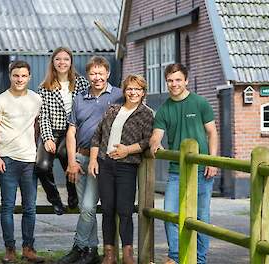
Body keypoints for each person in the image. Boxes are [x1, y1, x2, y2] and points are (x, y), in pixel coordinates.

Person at [149, 63, 219, 264]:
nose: (174, 84)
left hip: (201, 171)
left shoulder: (200, 103)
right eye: (170, 80)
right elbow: (156, 136)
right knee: (170, 214)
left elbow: (212, 132)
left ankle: (199, 260)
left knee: (201, 218)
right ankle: (176, 258)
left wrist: (212, 161)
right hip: (176, 171)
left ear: (186, 80)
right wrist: (156, 143)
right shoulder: (163, 110)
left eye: (178, 79)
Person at [57, 56, 123, 264]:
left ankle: (78, 246)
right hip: (79, 158)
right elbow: (71, 132)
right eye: (93, 74)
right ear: (87, 76)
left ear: (108, 74)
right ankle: (91, 250)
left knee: (87, 206)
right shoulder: (79, 98)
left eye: (100, 73)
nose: (97, 78)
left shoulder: (119, 96)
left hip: (101, 160)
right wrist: (71, 161)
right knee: (88, 209)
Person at [88, 74, 154, 264]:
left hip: (127, 166)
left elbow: (147, 140)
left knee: (125, 210)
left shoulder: (146, 113)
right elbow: (97, 136)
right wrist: (93, 160)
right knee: (107, 209)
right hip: (105, 164)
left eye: (137, 89)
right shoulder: (113, 109)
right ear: (124, 91)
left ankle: (127, 254)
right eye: (129, 89)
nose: (133, 92)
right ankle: (109, 253)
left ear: (143, 92)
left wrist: (127, 150)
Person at [0, 60, 44, 263]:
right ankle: (9, 249)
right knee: (7, 207)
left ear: (29, 77)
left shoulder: (36, 100)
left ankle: (28, 248)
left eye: (23, 76)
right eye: (16, 75)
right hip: (7, 160)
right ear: (10, 76)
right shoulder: (0, 101)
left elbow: (39, 126)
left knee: (30, 207)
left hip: (30, 161)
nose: (19, 79)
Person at [36, 47, 90, 215]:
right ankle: (55, 199)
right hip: (52, 131)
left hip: (72, 132)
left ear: (71, 62)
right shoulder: (44, 87)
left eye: (66, 59)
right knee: (42, 166)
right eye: (58, 59)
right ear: (53, 62)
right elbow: (43, 115)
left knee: (70, 161)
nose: (62, 62)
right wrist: (47, 138)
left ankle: (73, 194)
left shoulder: (81, 83)